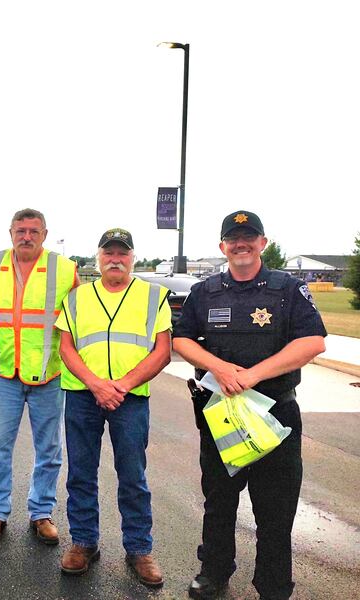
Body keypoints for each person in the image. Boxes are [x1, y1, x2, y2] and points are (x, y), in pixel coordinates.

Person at [173, 210, 326, 600]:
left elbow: (313, 342)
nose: (241, 244)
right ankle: (214, 571)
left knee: (275, 508)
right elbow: (182, 339)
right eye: (233, 238)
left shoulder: (287, 289)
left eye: (249, 237)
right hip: (222, 414)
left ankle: (273, 585)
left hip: (275, 413)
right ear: (222, 246)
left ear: (263, 243)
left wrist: (254, 375)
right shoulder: (205, 291)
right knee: (219, 500)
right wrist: (219, 367)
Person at [55, 228, 170, 587]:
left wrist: (121, 385)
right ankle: (83, 542)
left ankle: (139, 549)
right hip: (82, 395)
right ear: (99, 257)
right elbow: (66, 348)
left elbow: (163, 351)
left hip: (129, 398)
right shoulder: (77, 298)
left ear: (132, 258)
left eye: (122, 253)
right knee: (81, 472)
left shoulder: (154, 296)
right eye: (109, 253)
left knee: (133, 475)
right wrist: (96, 384)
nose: (115, 259)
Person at [0, 208, 78, 545]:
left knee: (49, 449)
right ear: (11, 233)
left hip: (48, 374)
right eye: (21, 230)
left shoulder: (65, 270)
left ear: (45, 234)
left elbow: (75, 318)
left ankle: (41, 513)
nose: (27, 237)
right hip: (2, 372)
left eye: (34, 231)